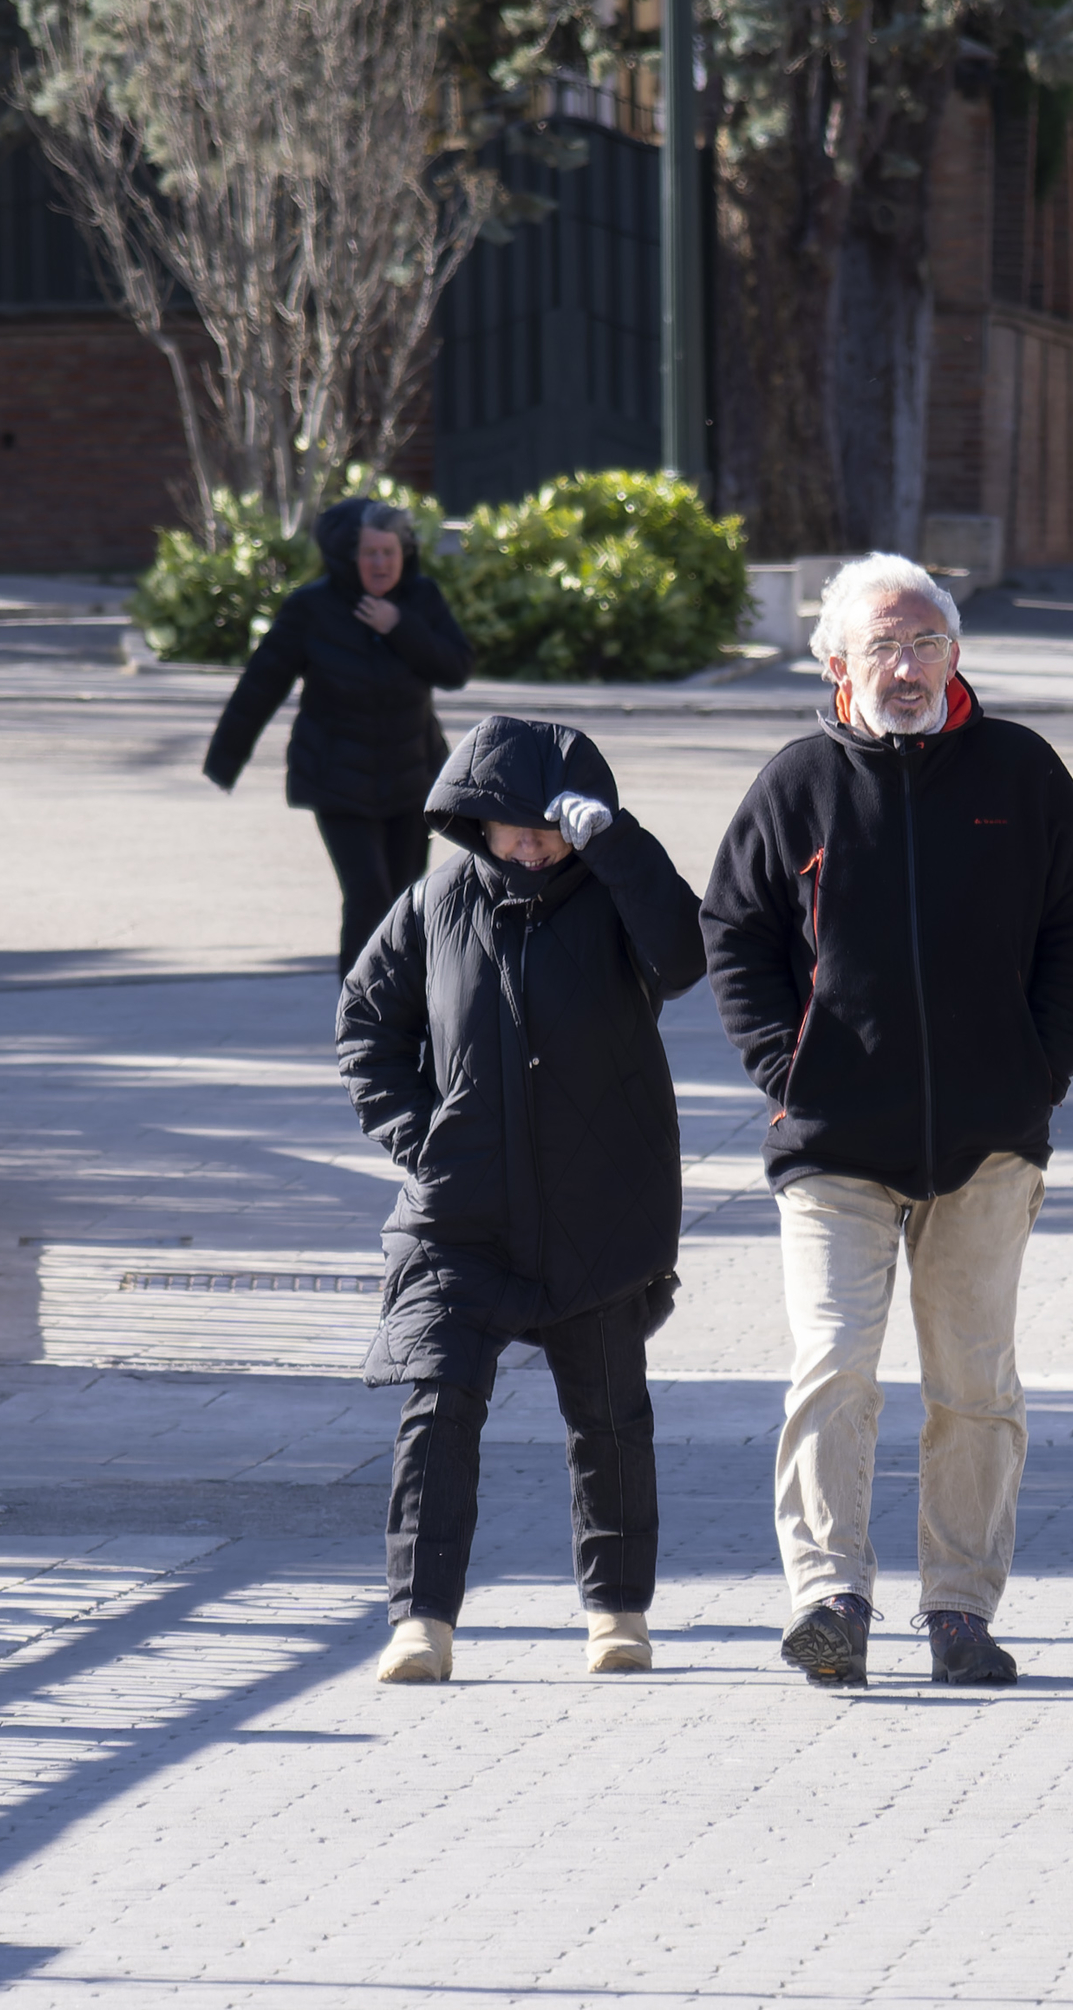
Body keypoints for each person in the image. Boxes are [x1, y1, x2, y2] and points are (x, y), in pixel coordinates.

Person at [700, 556, 1073, 1689]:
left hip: (986, 1141)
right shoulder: (796, 782)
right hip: (833, 1143)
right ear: (835, 662)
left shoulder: (1020, 771)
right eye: (881, 645)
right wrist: (787, 1069)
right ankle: (829, 1596)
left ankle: (959, 1610)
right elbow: (732, 928)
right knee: (833, 1364)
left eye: (925, 641)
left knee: (974, 1384)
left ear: (956, 653)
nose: (905, 664)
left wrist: (1039, 1072)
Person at [338, 715, 706, 1682]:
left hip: (600, 1203)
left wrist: (618, 847)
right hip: (463, 1215)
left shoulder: (615, 893)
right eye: (512, 825)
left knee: (611, 1418)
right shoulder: (435, 900)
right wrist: (424, 1141)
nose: (534, 841)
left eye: (550, 824)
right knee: (438, 1404)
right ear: (476, 822)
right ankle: (422, 1623)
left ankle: (617, 1613)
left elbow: (683, 956)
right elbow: (366, 1026)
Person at [203, 498, 477, 973]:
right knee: (367, 894)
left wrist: (401, 628)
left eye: (389, 552)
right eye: (369, 553)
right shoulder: (312, 609)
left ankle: (403, 1010)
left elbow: (455, 669)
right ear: (349, 557)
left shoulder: (421, 600)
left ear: (404, 553)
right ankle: (360, 1017)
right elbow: (261, 684)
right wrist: (226, 759)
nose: (380, 564)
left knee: (404, 899)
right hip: (337, 780)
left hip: (410, 779)